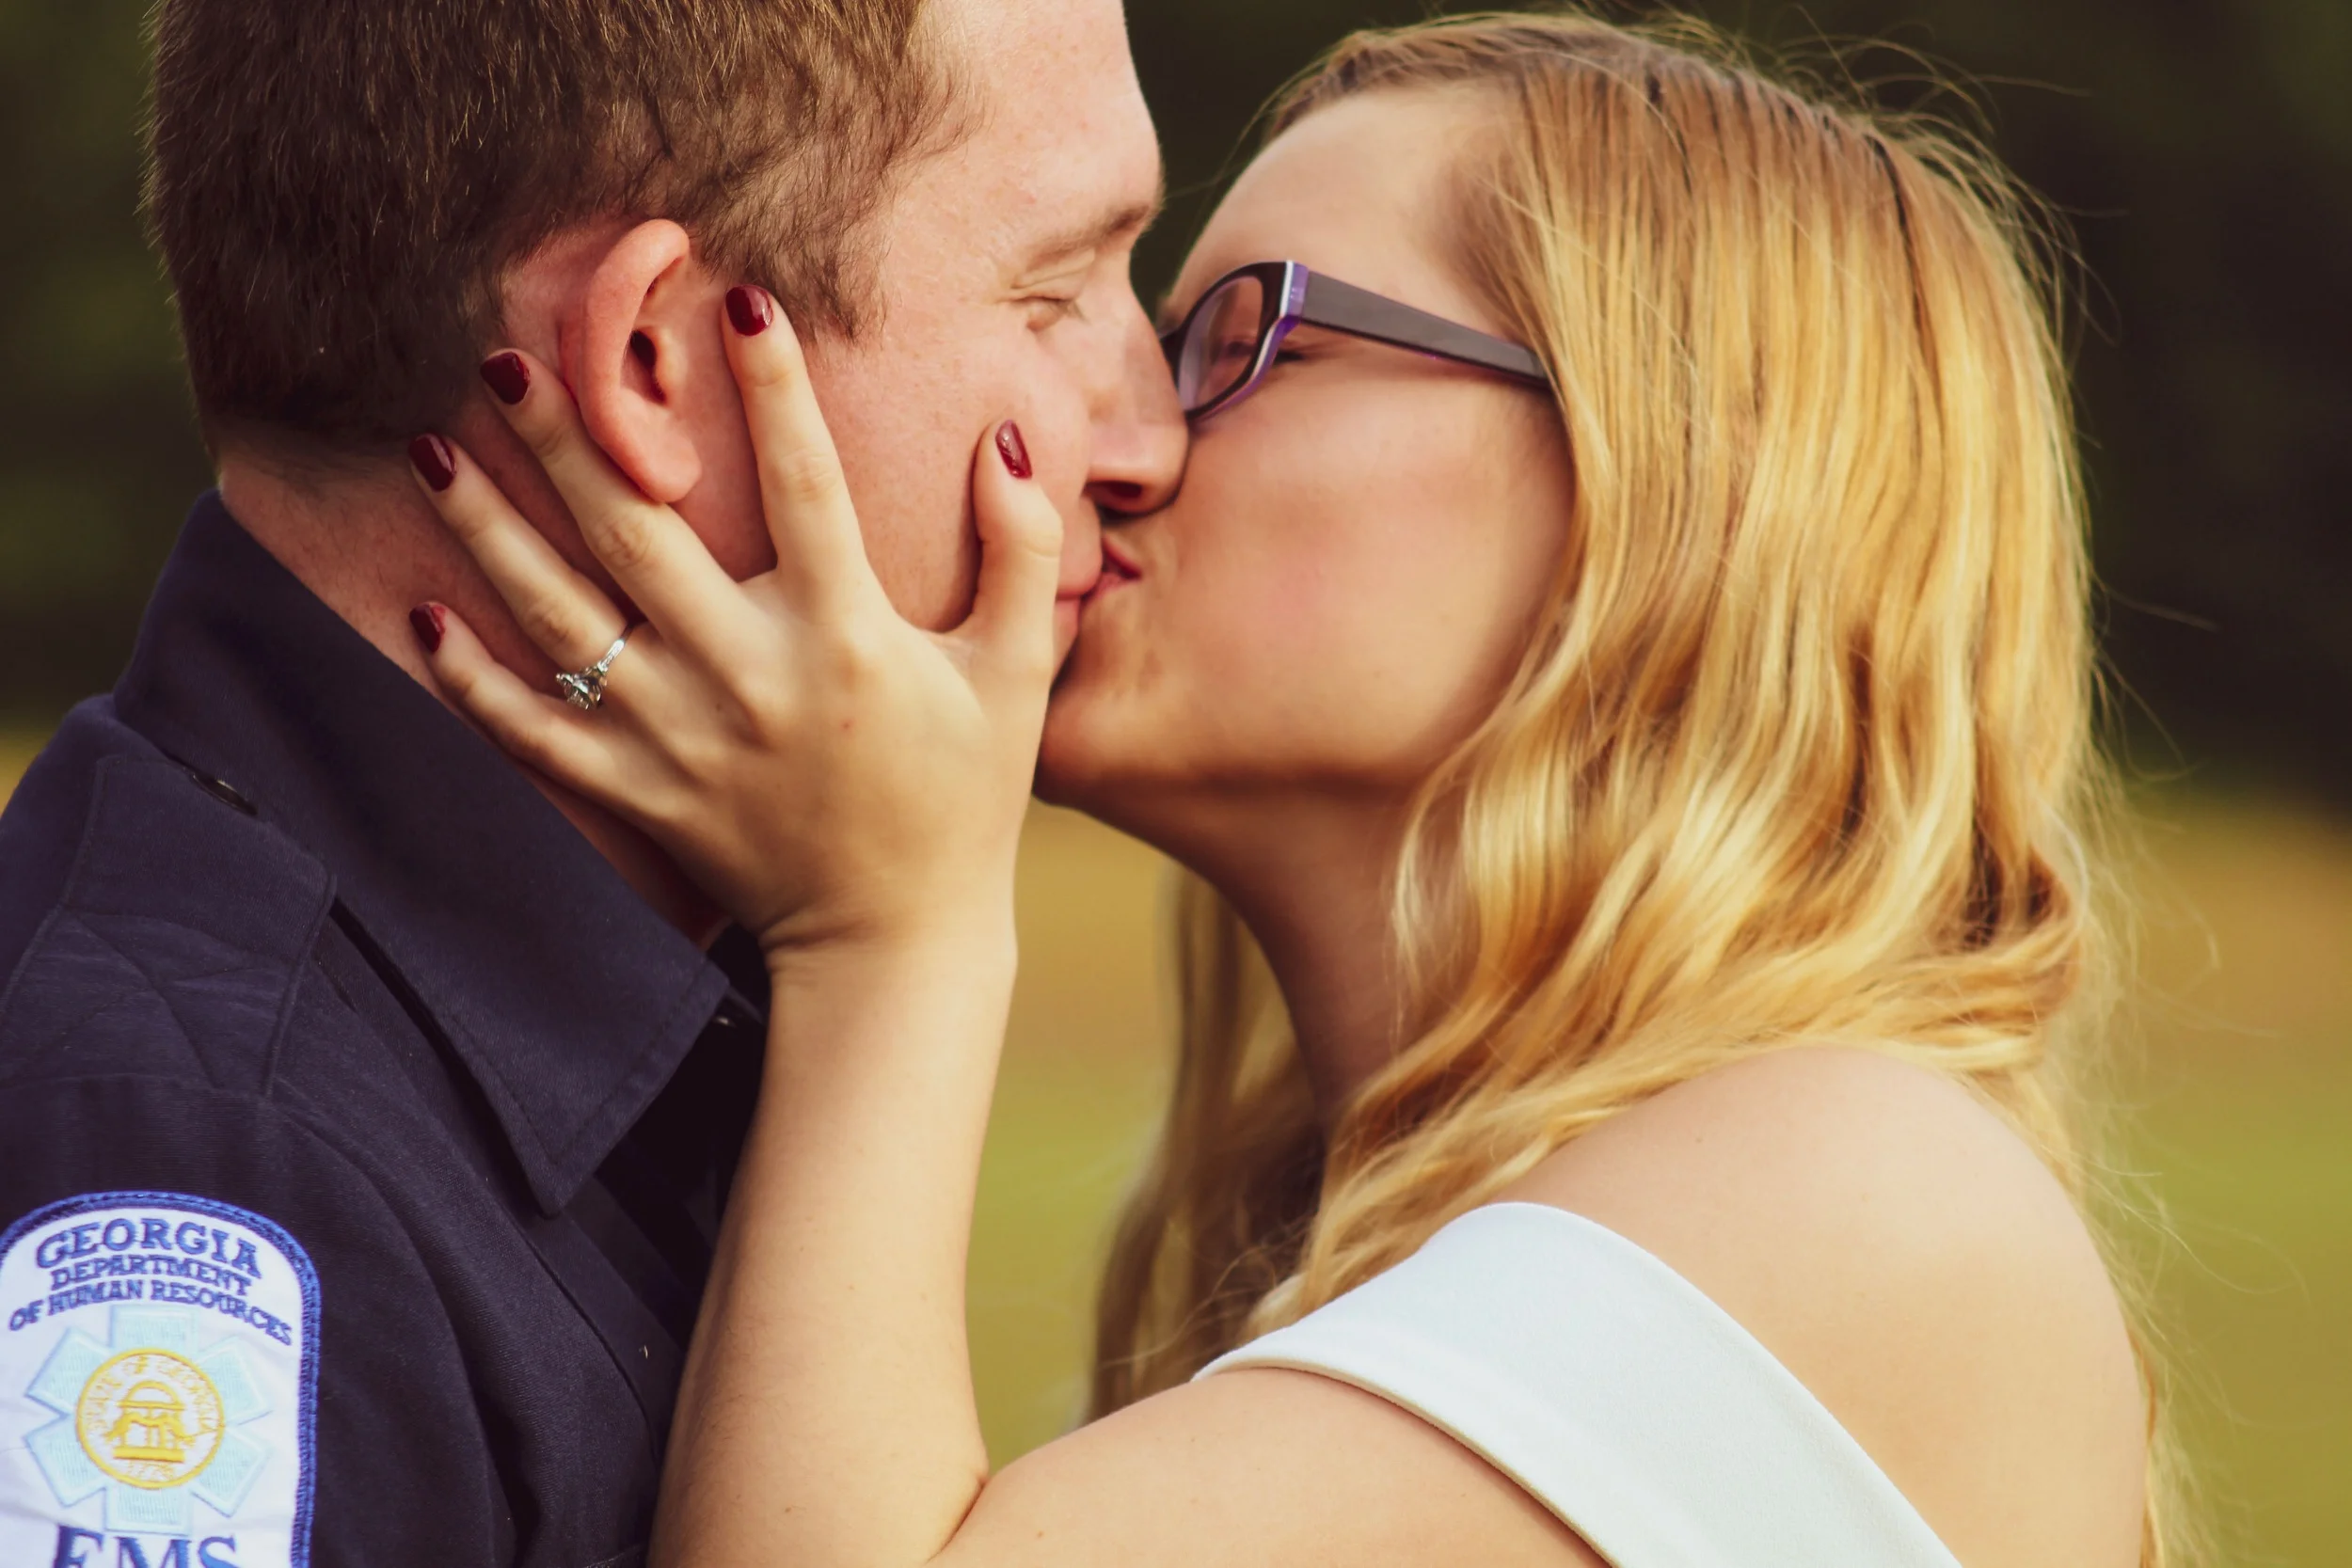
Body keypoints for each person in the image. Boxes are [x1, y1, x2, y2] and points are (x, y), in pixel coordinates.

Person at [407, 12, 2181, 1568]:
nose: (1129, 436)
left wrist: (892, 932)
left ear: (1672, 481)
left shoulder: (1856, 1188)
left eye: (1243, 339)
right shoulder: (1440, 1227)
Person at [0, 2, 1181, 1565]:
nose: (1151, 434)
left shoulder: (663, 993)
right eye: (1055, 292)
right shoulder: (202, 1181)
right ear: (647, 360)